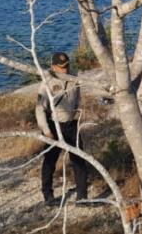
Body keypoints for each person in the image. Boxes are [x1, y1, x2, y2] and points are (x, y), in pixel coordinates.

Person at [37, 52, 88, 203]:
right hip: (53, 125)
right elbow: (40, 109)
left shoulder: (74, 78)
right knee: (49, 161)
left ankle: (82, 196)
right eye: (61, 68)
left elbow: (77, 98)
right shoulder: (47, 83)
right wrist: (46, 131)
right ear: (53, 67)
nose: (65, 70)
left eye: (66, 66)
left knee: (79, 160)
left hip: (71, 125)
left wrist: (77, 117)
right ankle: (48, 195)